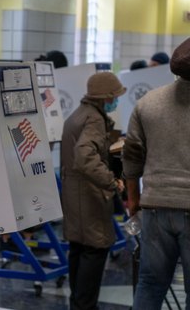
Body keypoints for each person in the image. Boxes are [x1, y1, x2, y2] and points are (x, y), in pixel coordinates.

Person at [124, 38, 190, 309]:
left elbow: (130, 156)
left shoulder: (147, 102)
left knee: (150, 285)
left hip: (153, 208)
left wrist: (134, 199)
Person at [61, 72, 126, 310]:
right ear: (104, 98)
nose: (116, 101)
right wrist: (111, 181)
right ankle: (84, 306)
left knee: (79, 248)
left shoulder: (78, 115)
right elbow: (84, 155)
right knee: (96, 248)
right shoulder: (94, 119)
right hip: (89, 196)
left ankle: (79, 305)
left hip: (75, 195)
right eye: (115, 96)